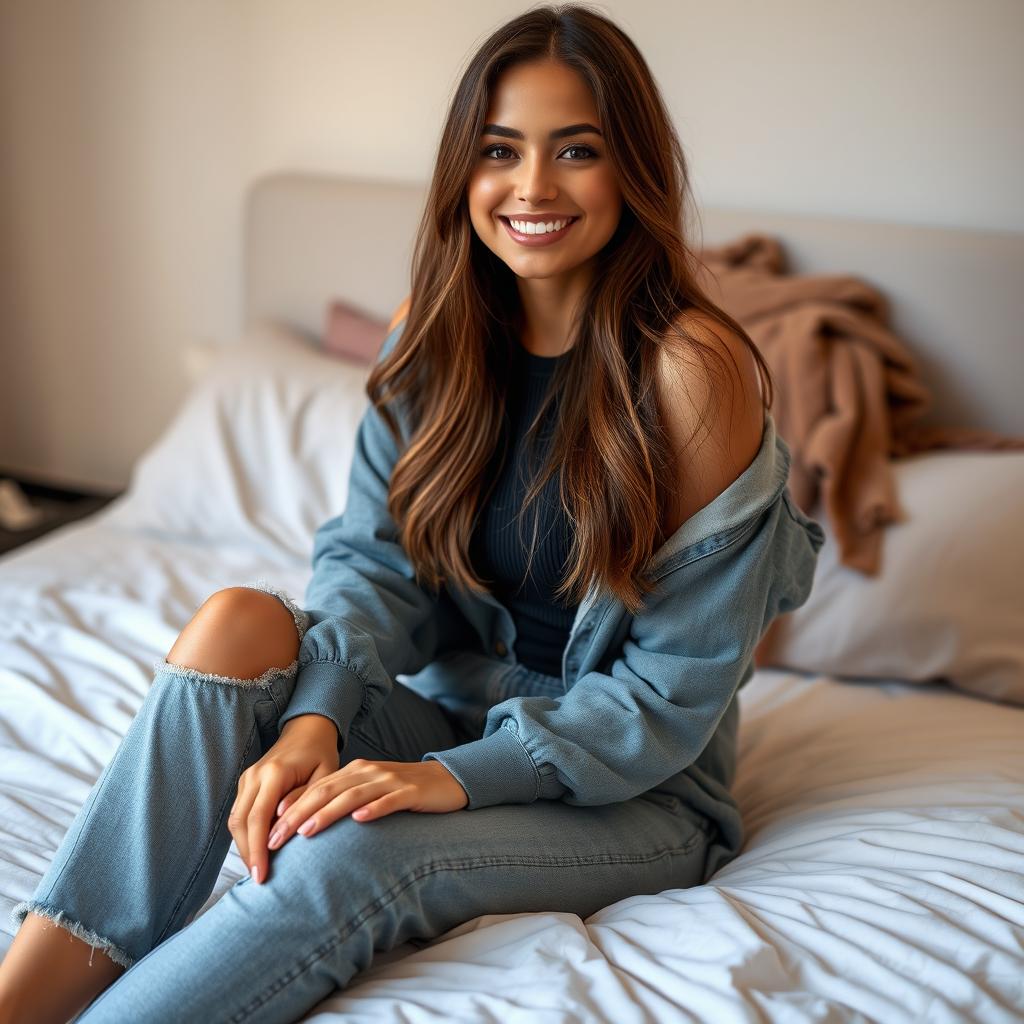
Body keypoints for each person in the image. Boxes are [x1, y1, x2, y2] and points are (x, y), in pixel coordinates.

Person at [0, 5, 825, 1022]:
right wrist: (316, 717)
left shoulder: (693, 374)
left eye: (576, 150)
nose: (531, 187)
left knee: (352, 841)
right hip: (440, 711)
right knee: (235, 625)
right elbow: (373, 565)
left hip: (633, 792)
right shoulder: (432, 336)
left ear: (633, 171)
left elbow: (660, 704)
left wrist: (444, 780)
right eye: (498, 150)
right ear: (461, 172)